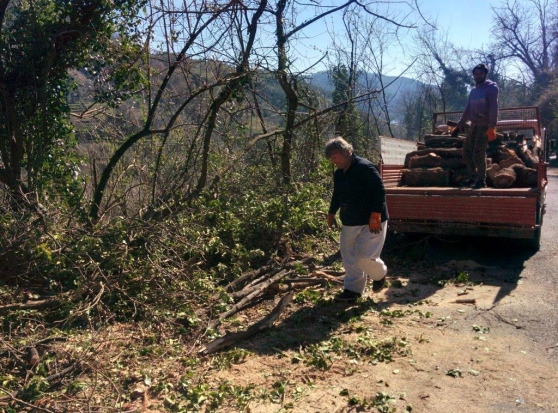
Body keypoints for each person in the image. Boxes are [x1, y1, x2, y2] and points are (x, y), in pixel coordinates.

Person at [325, 137, 389, 303]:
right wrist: (331, 213)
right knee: (349, 257)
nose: (333, 161)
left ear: (346, 152)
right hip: (350, 220)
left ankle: (379, 274)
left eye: (335, 157)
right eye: (331, 159)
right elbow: (337, 194)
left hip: (371, 221)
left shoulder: (364, 167)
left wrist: (375, 214)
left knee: (365, 257)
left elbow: (379, 191)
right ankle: (352, 290)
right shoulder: (339, 174)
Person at [454, 63, 499, 189]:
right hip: (473, 125)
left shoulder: (491, 88)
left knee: (479, 153)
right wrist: (459, 125)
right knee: (467, 153)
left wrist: (491, 127)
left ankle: (481, 180)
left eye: (481, 74)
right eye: (476, 74)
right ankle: (472, 177)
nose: (478, 76)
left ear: (485, 74)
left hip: (484, 125)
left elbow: (494, 108)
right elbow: (468, 109)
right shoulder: (474, 91)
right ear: (473, 75)